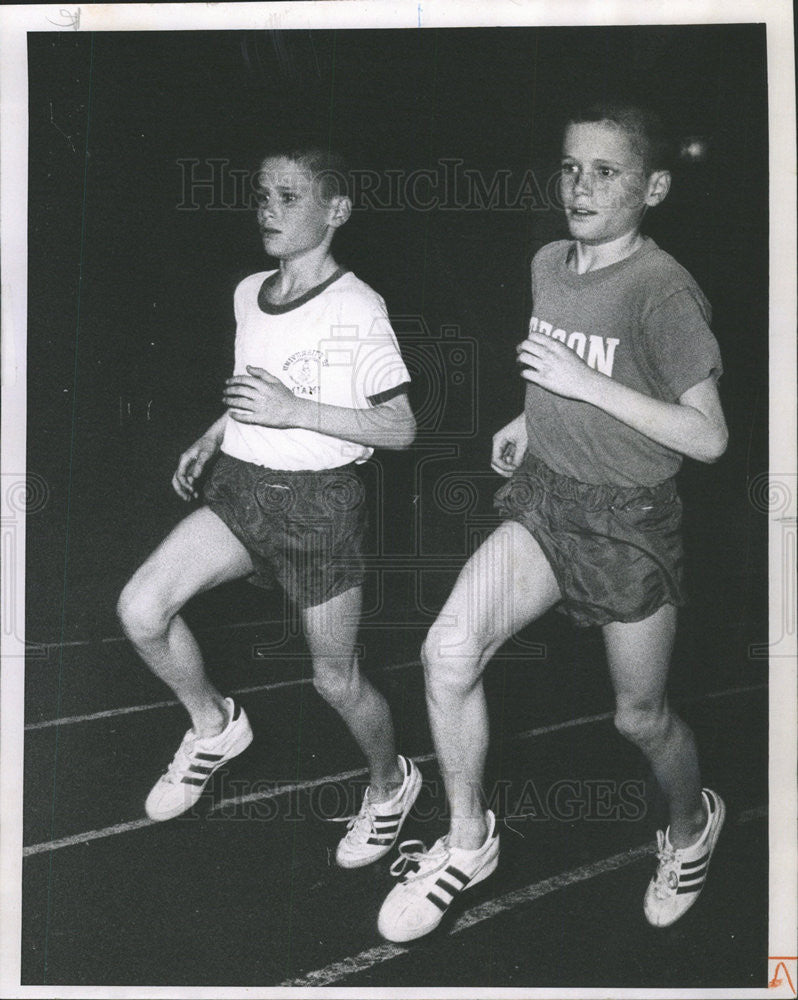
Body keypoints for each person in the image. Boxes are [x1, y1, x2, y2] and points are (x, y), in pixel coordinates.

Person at [378, 102, 728, 942]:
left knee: (639, 718)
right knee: (448, 651)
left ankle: (691, 829)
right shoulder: (548, 262)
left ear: (654, 187)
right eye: (572, 166)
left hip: (629, 525)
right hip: (546, 501)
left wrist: (579, 386)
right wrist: (530, 419)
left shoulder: (662, 289)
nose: (581, 186)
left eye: (606, 172)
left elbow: (709, 437)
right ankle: (468, 839)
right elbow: (556, 375)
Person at [117, 145, 422, 869]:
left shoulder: (357, 306)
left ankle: (390, 785)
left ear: (336, 212)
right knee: (141, 609)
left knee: (335, 681)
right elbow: (257, 383)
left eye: (289, 197)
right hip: (241, 492)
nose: (268, 210)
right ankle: (213, 725)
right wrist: (214, 432)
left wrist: (292, 410)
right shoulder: (249, 290)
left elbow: (400, 427)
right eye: (262, 195)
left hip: (320, 509)